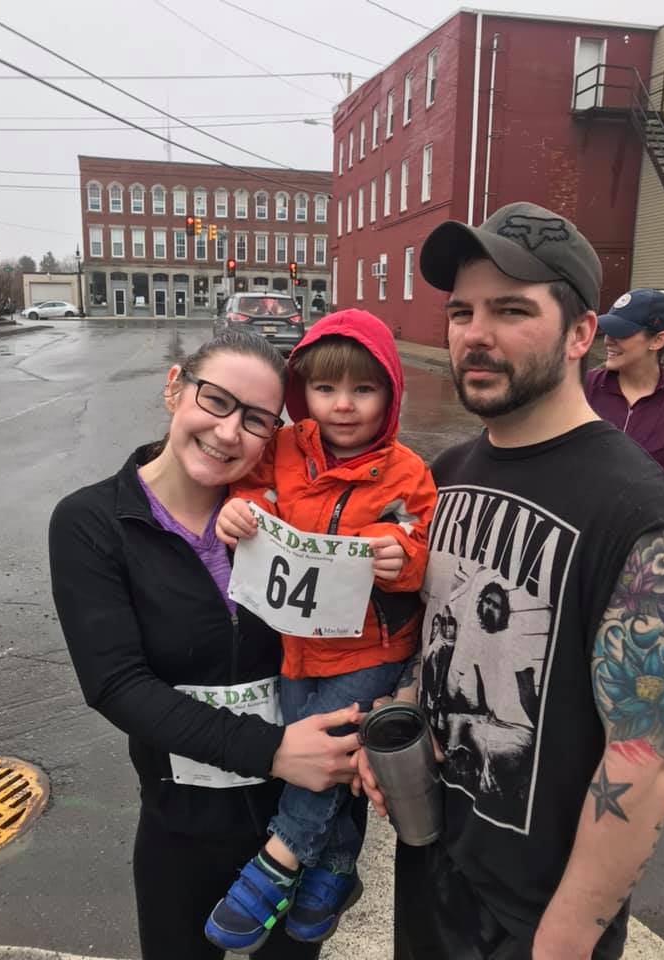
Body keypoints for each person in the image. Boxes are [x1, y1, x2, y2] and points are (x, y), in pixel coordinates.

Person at [356, 202, 664, 959]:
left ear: (581, 334)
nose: (476, 333)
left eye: (511, 309)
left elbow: (651, 753)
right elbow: (436, 639)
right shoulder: (449, 476)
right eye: (462, 310)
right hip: (434, 862)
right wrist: (404, 715)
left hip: (536, 920)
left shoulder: (639, 513)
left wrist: (567, 937)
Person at [48, 330, 364, 960]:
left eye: (256, 421)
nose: (228, 433)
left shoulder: (284, 520)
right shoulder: (92, 523)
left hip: (296, 825)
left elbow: (353, 638)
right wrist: (272, 750)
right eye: (215, 401)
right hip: (180, 827)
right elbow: (117, 684)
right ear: (175, 388)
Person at [205, 309, 437, 953]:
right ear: (302, 389)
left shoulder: (406, 472)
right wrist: (240, 513)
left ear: (390, 395)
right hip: (295, 647)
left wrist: (397, 557)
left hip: (370, 649)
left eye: (363, 390)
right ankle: (334, 868)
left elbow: (416, 539)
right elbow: (249, 493)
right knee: (318, 763)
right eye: (326, 388)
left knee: (327, 754)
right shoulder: (282, 451)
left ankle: (278, 859)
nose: (342, 405)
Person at [585, 287, 664, 493]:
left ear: (658, 340)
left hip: (647, 522)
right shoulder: (582, 387)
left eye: (622, 332)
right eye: (608, 330)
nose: (607, 340)